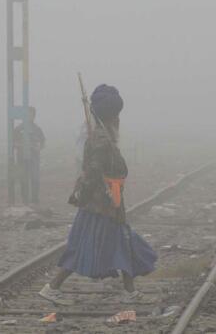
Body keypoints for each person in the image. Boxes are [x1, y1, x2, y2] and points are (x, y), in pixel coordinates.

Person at [40, 84, 156, 305]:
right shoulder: (102, 139)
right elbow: (94, 171)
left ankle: (130, 292)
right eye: (117, 115)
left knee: (122, 242)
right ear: (112, 116)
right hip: (102, 205)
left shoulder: (101, 136)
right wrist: (89, 190)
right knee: (106, 244)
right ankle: (53, 287)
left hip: (106, 203)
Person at [12, 107, 45, 204]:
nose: (30, 117)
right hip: (22, 158)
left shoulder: (37, 129)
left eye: (32, 115)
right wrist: (19, 145)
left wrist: (38, 147)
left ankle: (34, 199)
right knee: (23, 179)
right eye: (28, 115)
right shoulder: (18, 129)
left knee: (35, 178)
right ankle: (24, 199)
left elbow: (43, 142)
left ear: (34, 116)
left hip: (34, 158)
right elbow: (13, 142)